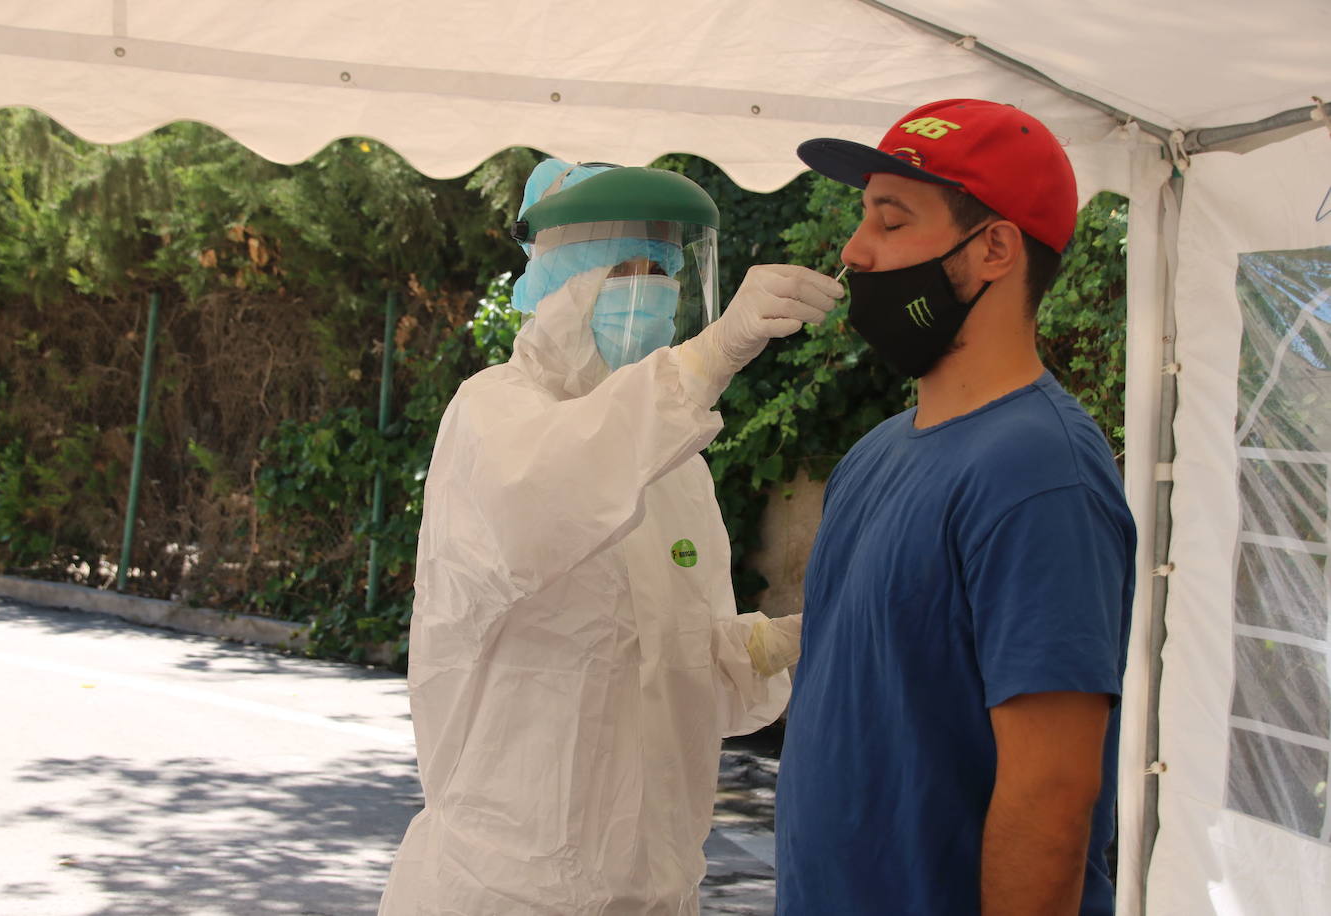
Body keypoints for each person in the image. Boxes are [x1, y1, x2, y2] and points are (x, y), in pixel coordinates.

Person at [379, 159, 841, 915]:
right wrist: (713, 354)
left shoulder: (671, 463)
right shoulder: (493, 415)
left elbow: (662, 664)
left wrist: (763, 646)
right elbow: (549, 498)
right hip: (512, 887)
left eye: (660, 271)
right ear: (563, 285)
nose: (650, 292)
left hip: (655, 885)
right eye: (623, 270)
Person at [775, 100, 1137, 915]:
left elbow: (1051, 793)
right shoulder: (876, 455)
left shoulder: (1041, 473)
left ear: (994, 249)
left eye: (891, 221)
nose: (854, 250)